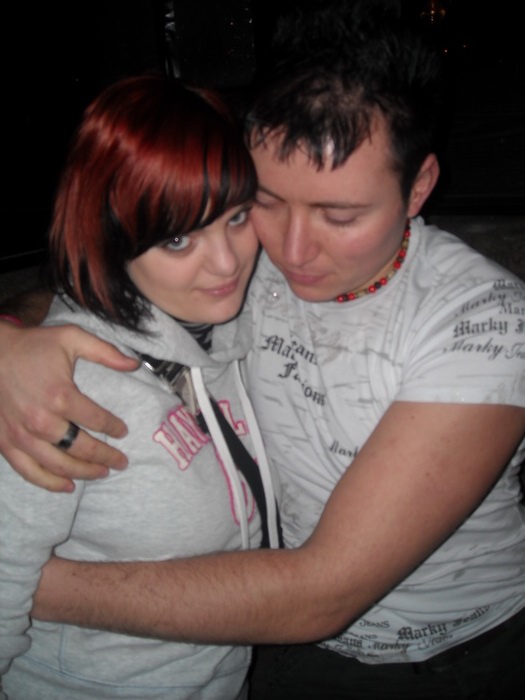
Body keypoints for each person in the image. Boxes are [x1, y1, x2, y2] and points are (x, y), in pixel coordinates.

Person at [2, 3, 525, 699]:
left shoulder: (484, 324)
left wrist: (29, 585)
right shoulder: (243, 264)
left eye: (340, 215)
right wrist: (13, 342)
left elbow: (320, 593)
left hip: (447, 660)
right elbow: (113, 280)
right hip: (265, 643)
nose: (292, 250)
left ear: (419, 186)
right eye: (265, 203)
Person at [0, 73, 282, 700]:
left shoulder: (224, 328)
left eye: (238, 217)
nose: (227, 262)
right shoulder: (60, 391)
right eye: (178, 239)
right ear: (110, 236)